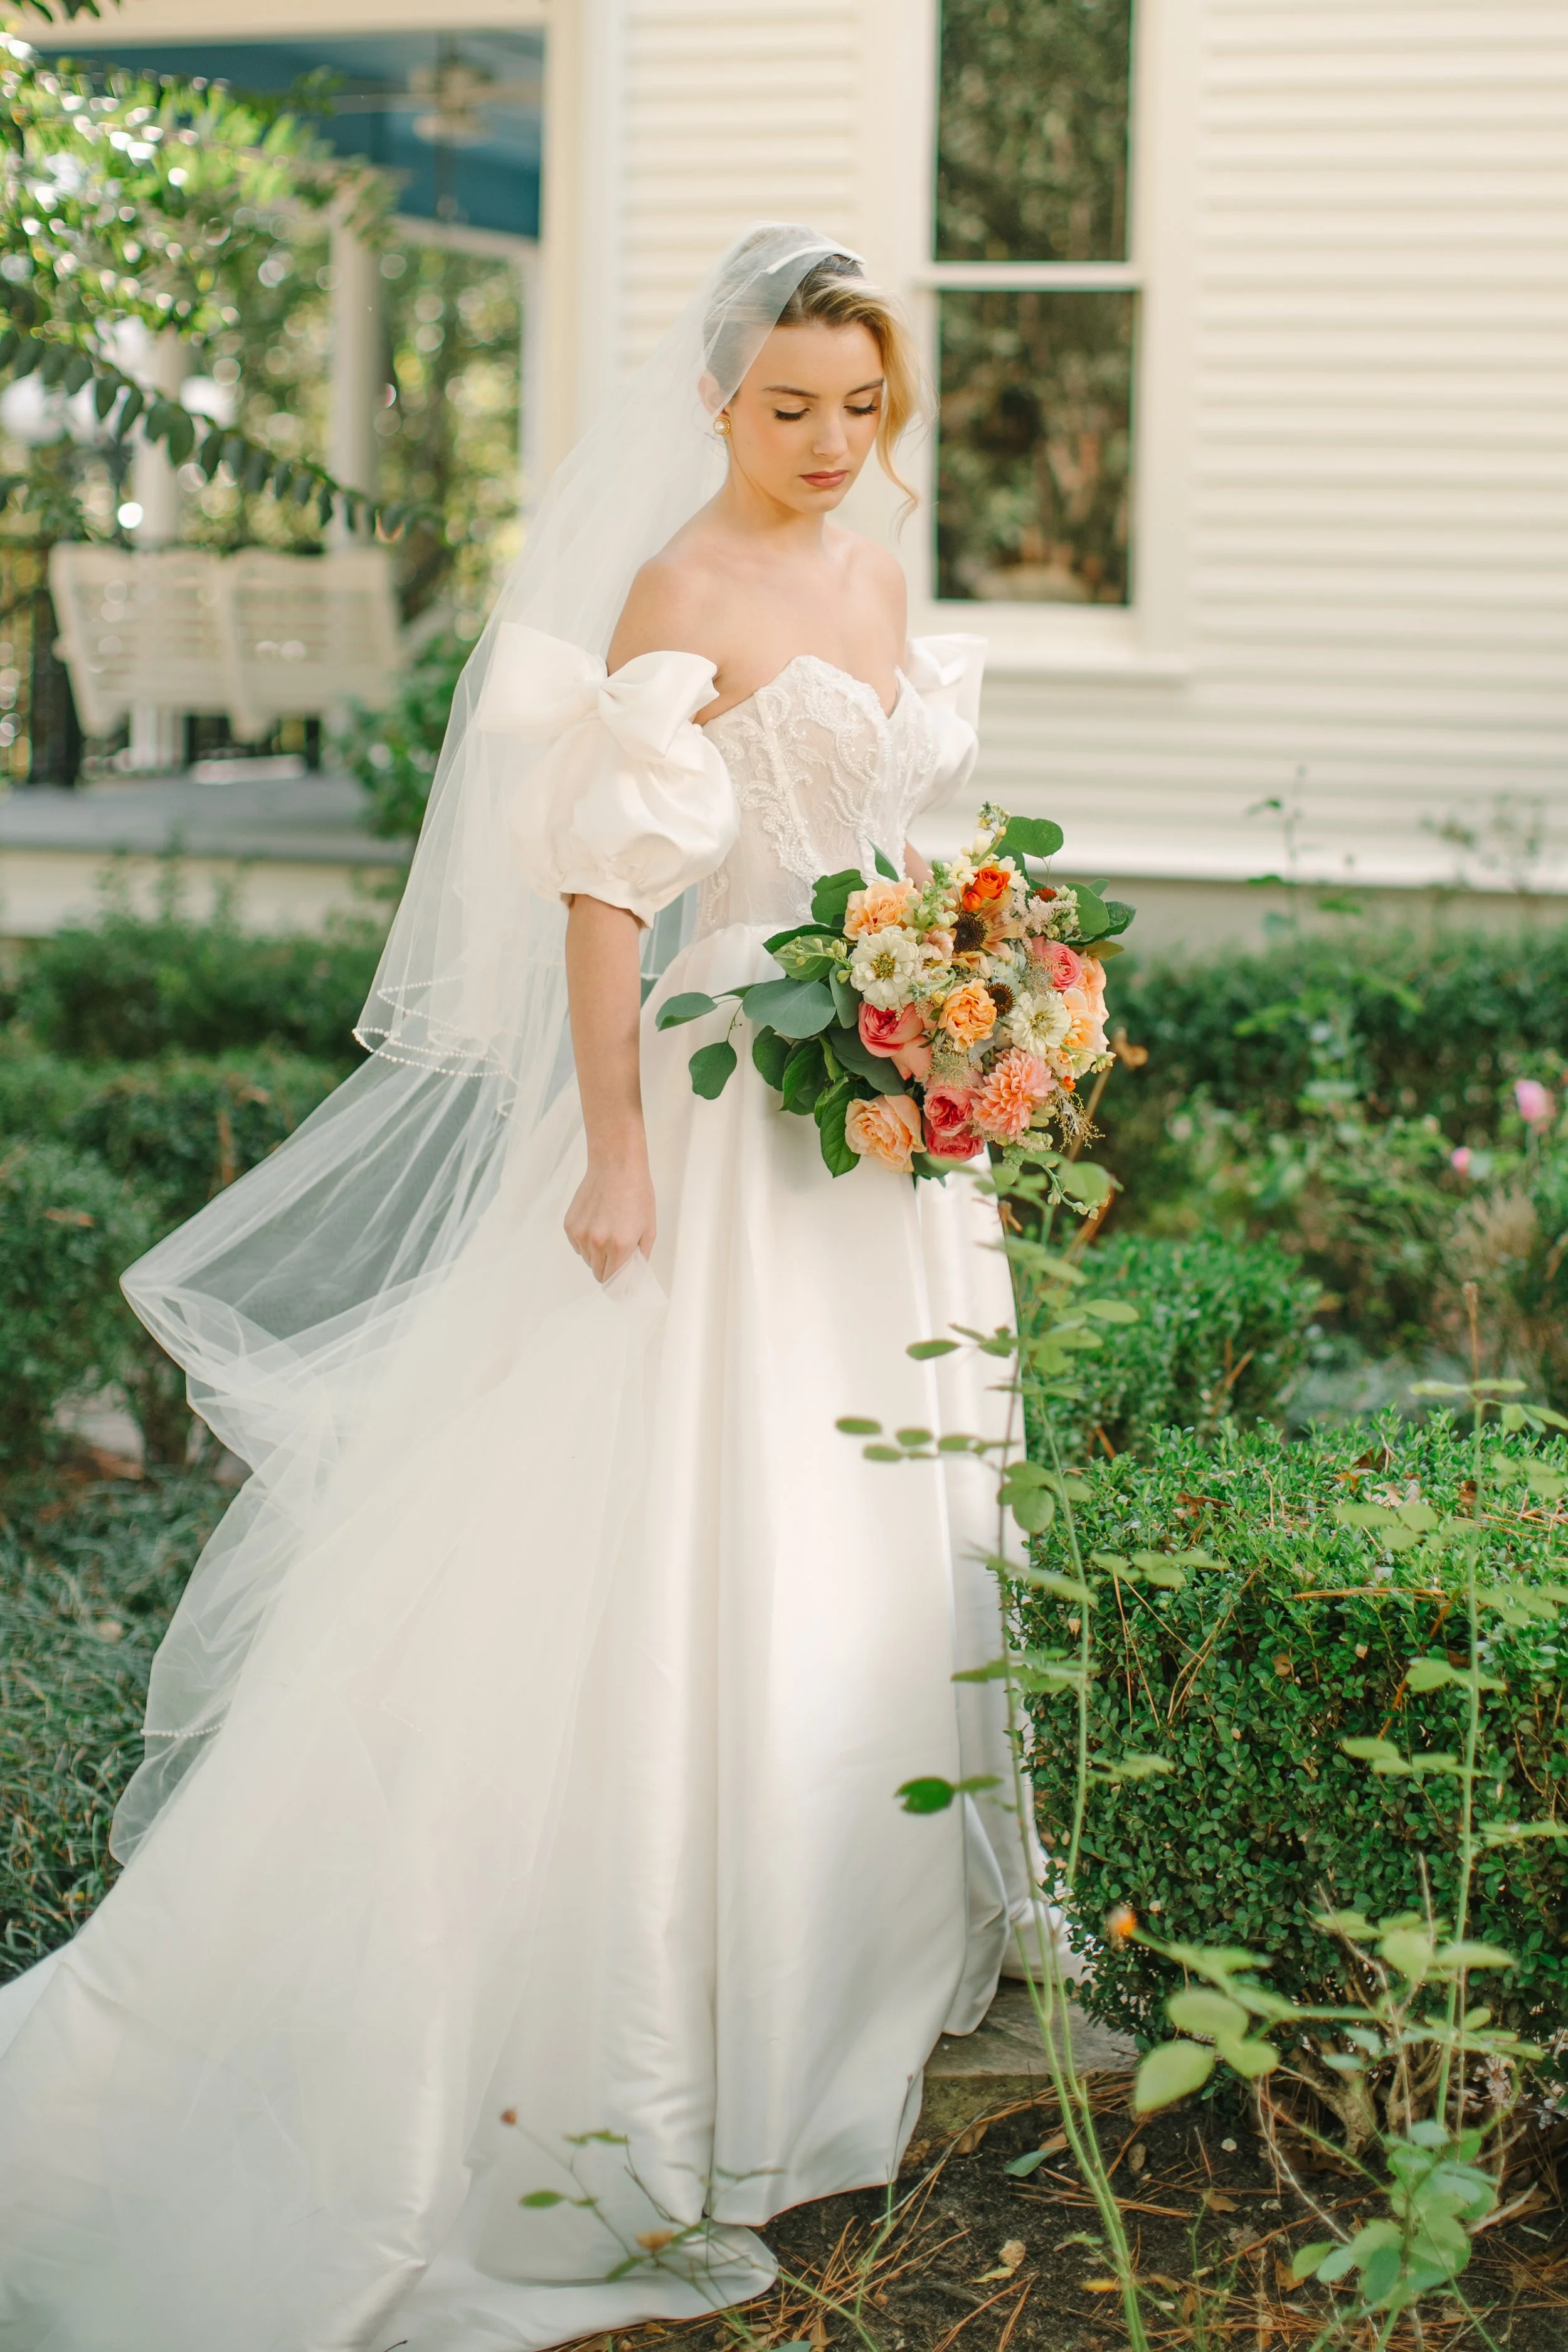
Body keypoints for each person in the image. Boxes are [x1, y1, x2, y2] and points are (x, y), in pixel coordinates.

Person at [0, 225, 1041, 2352]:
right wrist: (625, 1148)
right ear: (718, 399)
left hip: (883, 1133)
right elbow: (601, 894)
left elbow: (917, 843)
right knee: (702, 1532)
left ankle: (838, 1969)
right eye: (788, 408)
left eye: (861, 406)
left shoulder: (872, 558)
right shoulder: (677, 591)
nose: (830, 444)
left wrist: (976, 998)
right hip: (732, 1116)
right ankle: (645, 2043)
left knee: (869, 1524)